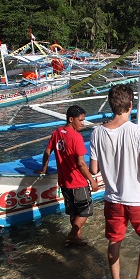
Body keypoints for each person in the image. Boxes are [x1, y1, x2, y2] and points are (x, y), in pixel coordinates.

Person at [89, 84, 140, 279]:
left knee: (114, 240)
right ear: (131, 105)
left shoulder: (97, 133)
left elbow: (94, 169)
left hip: (113, 199)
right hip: (139, 199)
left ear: (112, 105)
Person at [38, 105, 98, 246]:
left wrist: (44, 169)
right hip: (77, 182)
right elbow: (81, 164)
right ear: (71, 119)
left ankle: (76, 237)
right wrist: (92, 180)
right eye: (80, 120)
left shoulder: (57, 132)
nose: (83, 123)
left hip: (64, 182)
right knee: (85, 210)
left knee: (73, 211)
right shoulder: (76, 137)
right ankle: (71, 236)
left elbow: (47, 152)